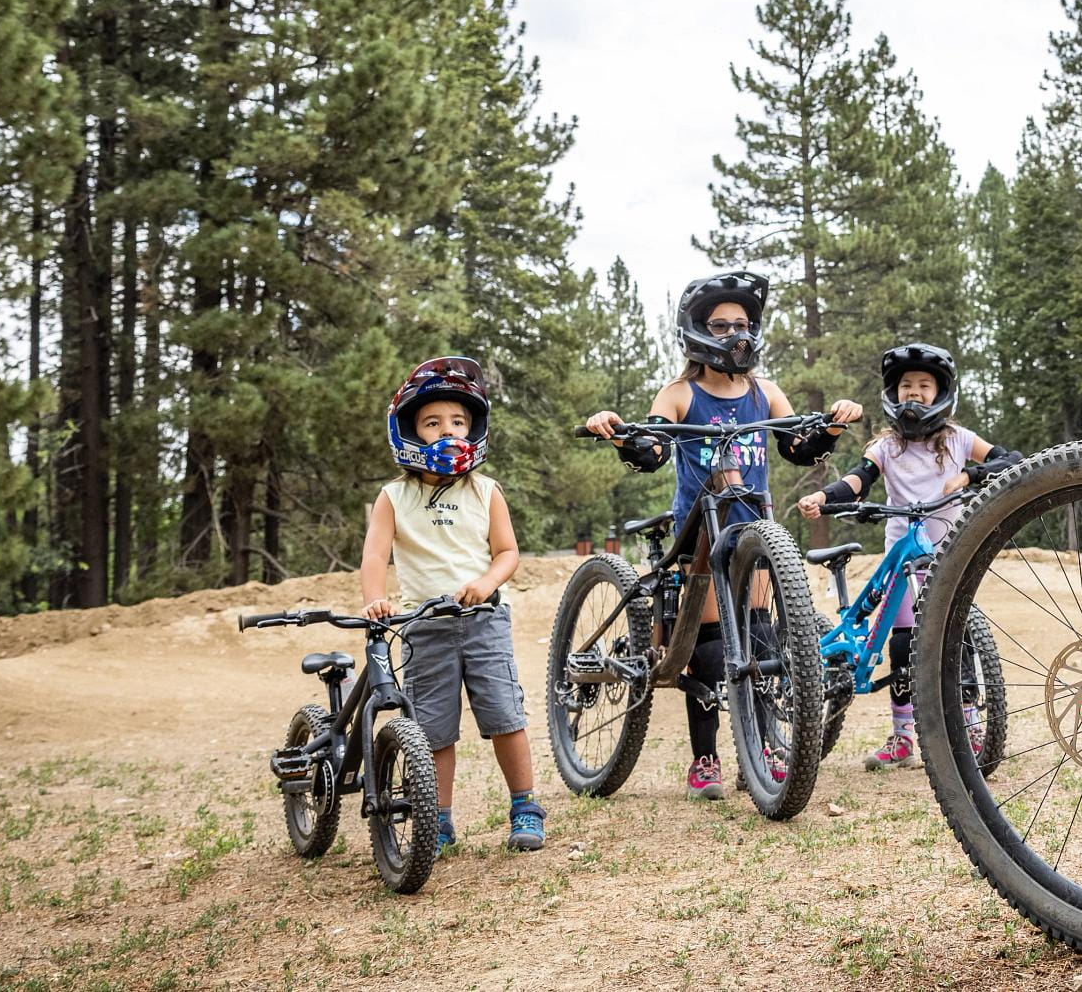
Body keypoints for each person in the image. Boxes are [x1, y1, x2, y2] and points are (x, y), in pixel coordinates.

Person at [582, 270, 861, 800]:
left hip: (755, 534)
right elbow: (653, 448)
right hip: (701, 534)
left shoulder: (765, 392)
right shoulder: (680, 393)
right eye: (721, 324)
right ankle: (705, 759)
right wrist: (618, 432)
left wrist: (831, 425)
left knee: (757, 640)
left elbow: (798, 447)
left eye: (742, 323)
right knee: (710, 652)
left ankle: (757, 750)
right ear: (697, 331)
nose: (734, 332)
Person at [793, 343, 1022, 769]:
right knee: (902, 641)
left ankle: (971, 722)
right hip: (902, 554)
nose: (913, 394)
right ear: (893, 395)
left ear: (941, 394)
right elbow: (859, 481)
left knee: (959, 636)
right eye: (905, 387)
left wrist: (969, 475)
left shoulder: (958, 439)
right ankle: (902, 736)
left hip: (949, 552)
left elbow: (1011, 460)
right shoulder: (886, 446)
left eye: (924, 386)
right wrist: (824, 496)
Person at [357, 355, 545, 853]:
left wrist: (486, 582)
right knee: (434, 730)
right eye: (433, 423)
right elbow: (375, 555)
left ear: (474, 428)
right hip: (421, 626)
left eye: (459, 422)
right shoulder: (393, 496)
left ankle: (525, 806)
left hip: (483, 619)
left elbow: (508, 552)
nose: (448, 431)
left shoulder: (485, 491)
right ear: (410, 432)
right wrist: (376, 599)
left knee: (505, 716)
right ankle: (436, 820)